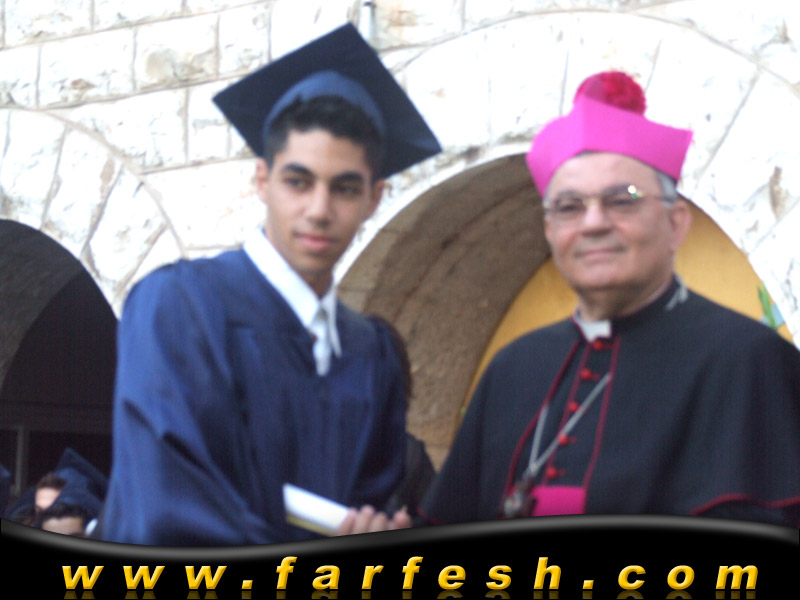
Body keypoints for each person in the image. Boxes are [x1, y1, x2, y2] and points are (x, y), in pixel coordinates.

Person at [96, 23, 441, 545]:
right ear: (262, 180)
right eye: (298, 181)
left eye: (345, 188)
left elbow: (369, 502)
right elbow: (166, 515)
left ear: (375, 197)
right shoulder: (180, 308)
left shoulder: (371, 354)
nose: (319, 210)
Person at [413, 71, 800, 528]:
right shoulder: (512, 367)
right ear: (550, 231)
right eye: (569, 207)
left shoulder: (748, 360)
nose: (593, 223)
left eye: (623, 200)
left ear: (676, 223)